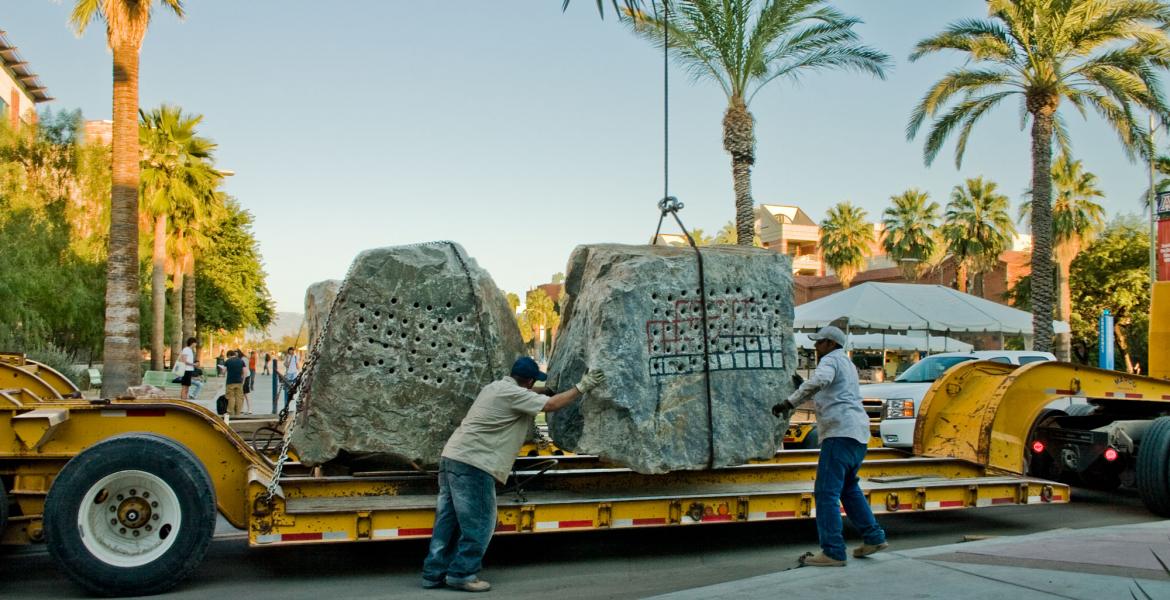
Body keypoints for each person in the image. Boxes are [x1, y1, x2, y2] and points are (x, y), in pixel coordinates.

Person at [421, 357, 605, 592]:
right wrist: (582, 387)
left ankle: (433, 574)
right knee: (481, 522)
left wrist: (547, 389)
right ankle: (462, 573)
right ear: (527, 381)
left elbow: (533, 395)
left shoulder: (496, 388)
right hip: (474, 464)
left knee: (448, 520)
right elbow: (551, 405)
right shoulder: (516, 395)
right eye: (533, 383)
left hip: (452, 458)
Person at [772, 326, 887, 567]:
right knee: (849, 488)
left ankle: (833, 551)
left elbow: (821, 381)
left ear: (831, 344)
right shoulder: (846, 363)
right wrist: (804, 385)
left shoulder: (829, 361)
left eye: (819, 342)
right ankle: (874, 536)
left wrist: (789, 402)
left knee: (826, 493)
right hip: (858, 434)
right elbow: (832, 389)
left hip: (839, 433)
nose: (816, 347)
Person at [223, 350, 247, 419]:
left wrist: (223, 370)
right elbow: (245, 372)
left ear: (229, 355)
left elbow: (223, 372)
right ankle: (238, 413)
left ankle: (231, 413)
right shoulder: (241, 361)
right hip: (239, 382)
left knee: (231, 397)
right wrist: (243, 381)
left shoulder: (227, 361)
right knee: (239, 398)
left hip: (230, 382)